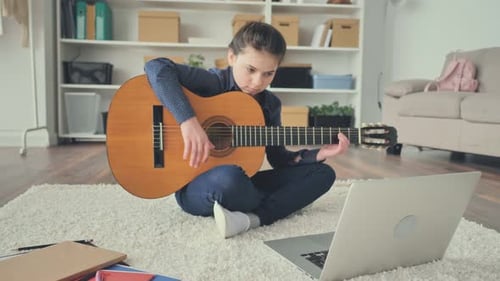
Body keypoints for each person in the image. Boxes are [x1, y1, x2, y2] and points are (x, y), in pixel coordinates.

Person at [144, 22, 350, 239]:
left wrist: (319, 154)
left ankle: (250, 219)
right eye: (250, 70)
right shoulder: (213, 82)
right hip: (198, 187)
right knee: (229, 178)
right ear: (231, 57)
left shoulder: (270, 104)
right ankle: (271, 205)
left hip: (244, 183)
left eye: (268, 74)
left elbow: (279, 158)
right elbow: (156, 67)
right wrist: (188, 122)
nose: (257, 82)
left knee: (323, 173)